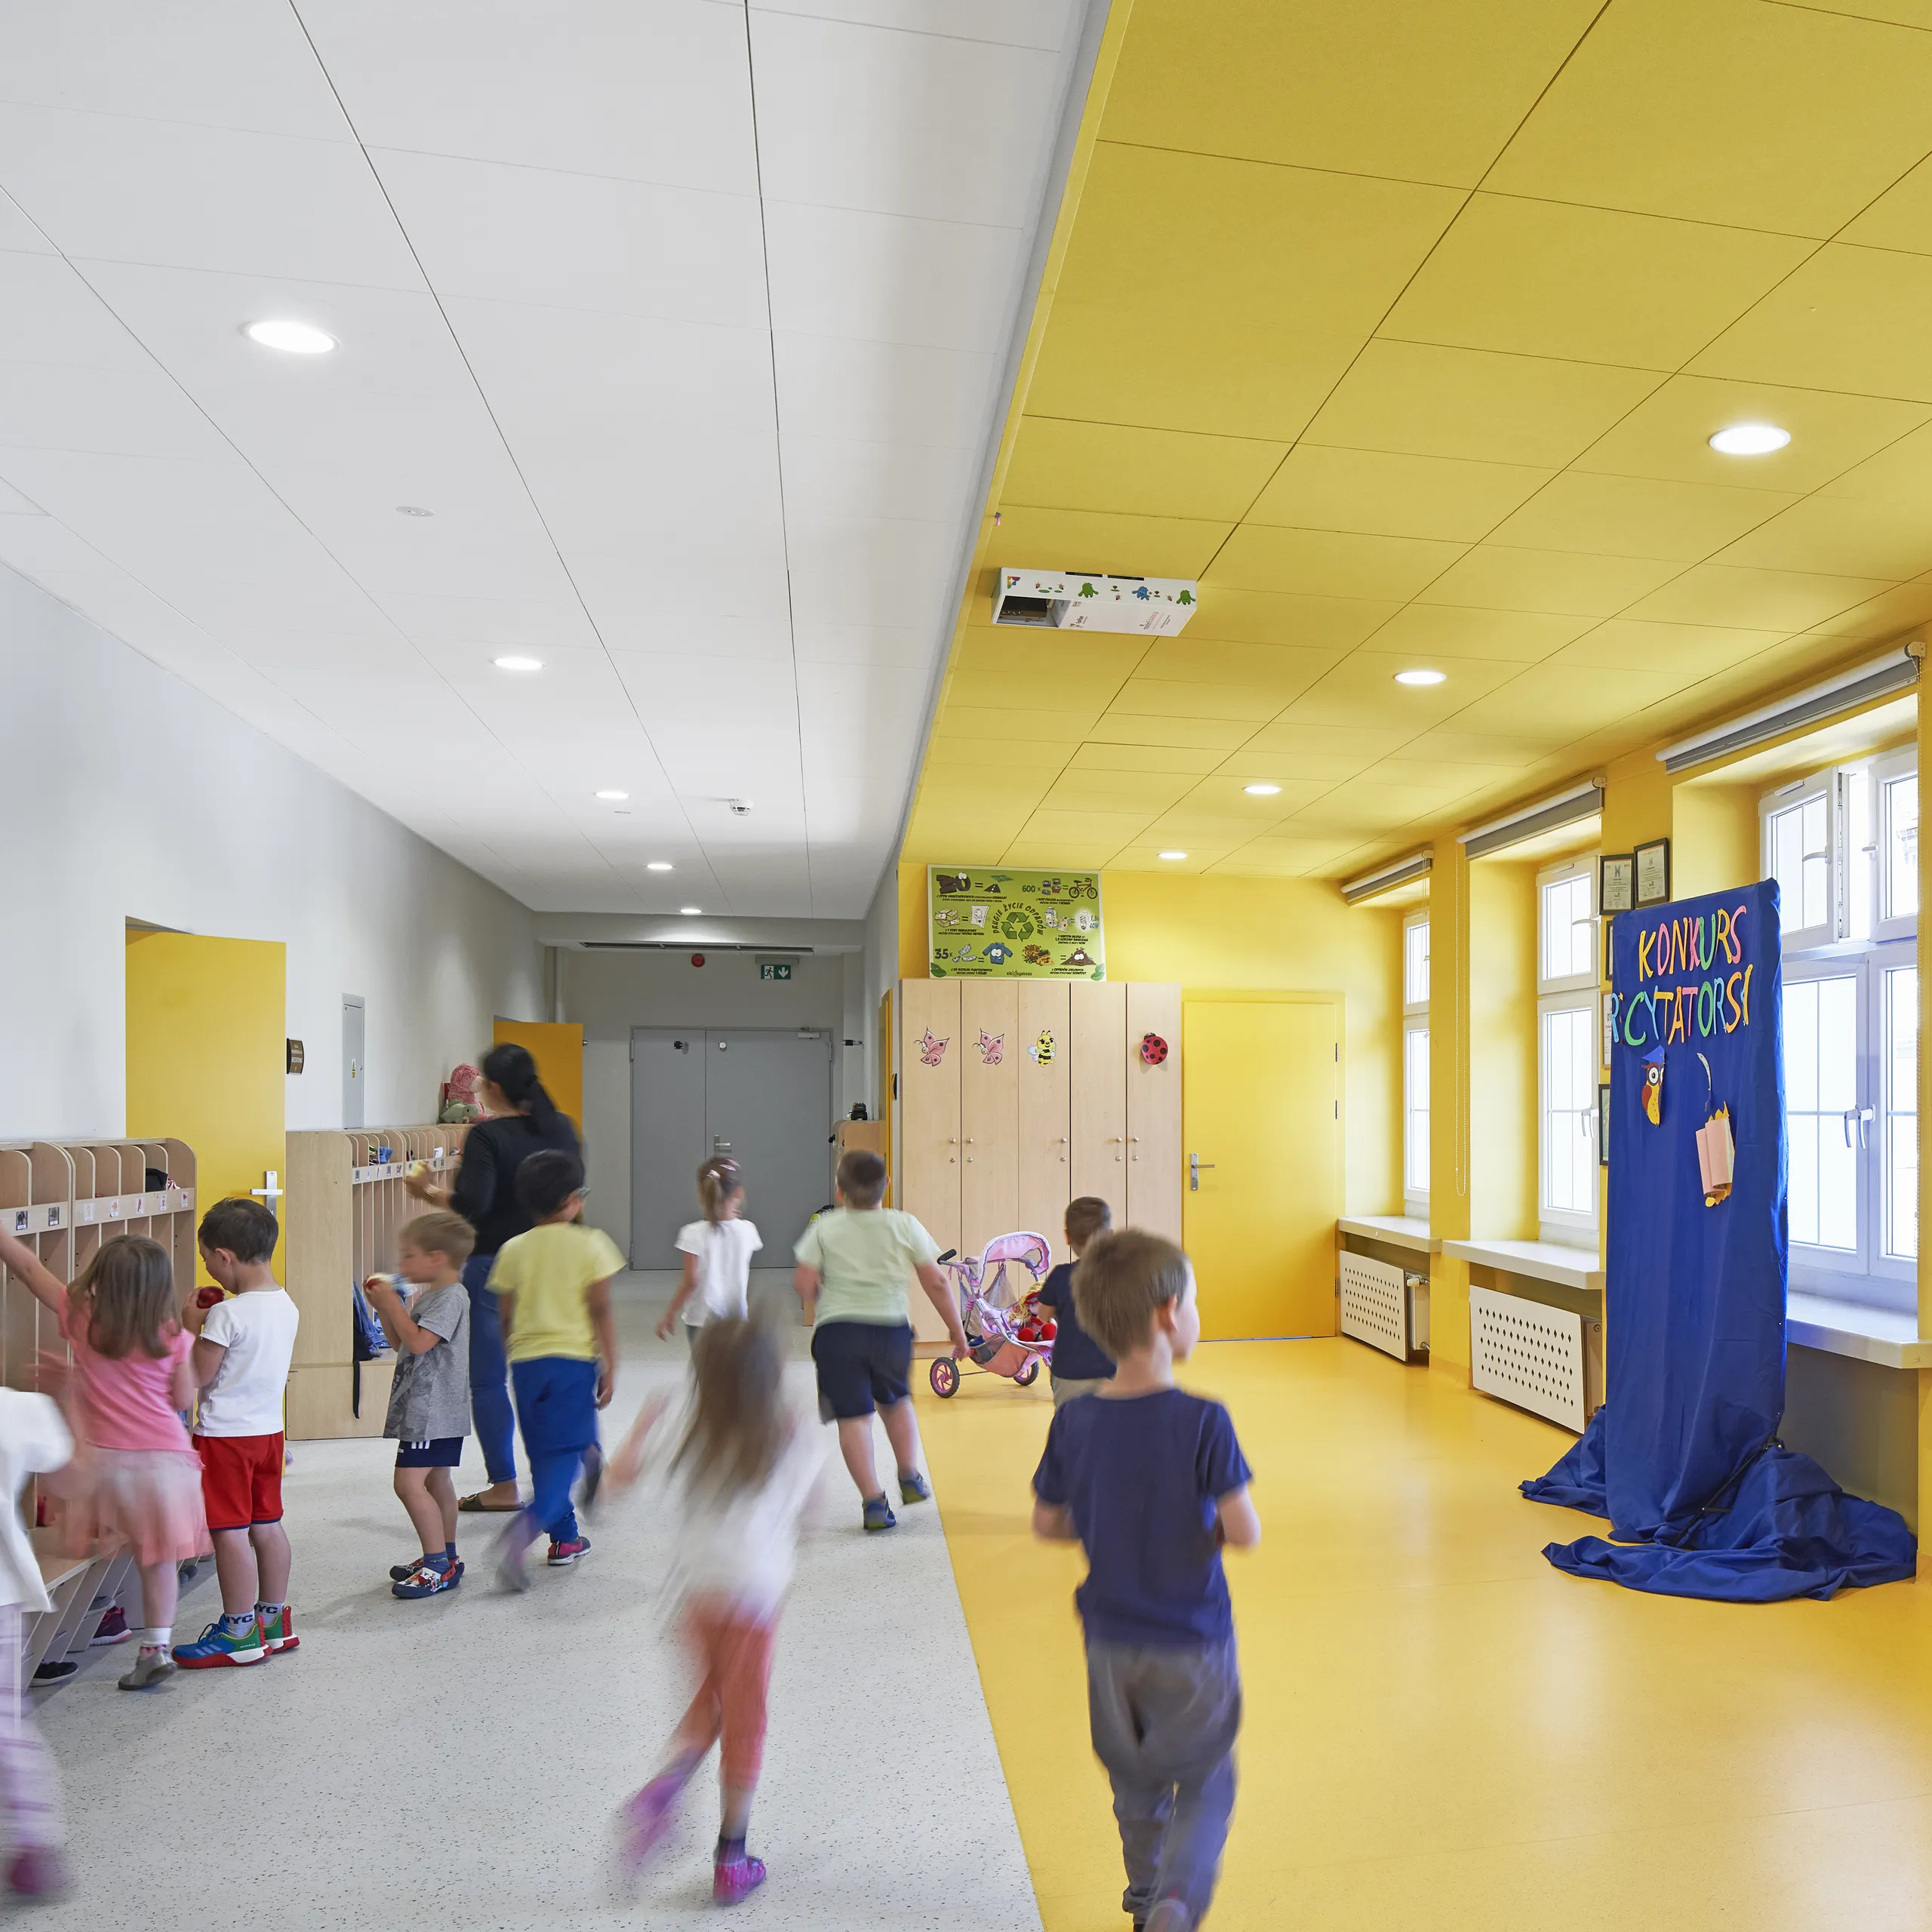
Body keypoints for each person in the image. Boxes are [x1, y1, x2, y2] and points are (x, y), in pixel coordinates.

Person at [1031, 1231, 1260, 1932]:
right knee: (1206, 1781)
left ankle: (1142, 1902)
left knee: (1136, 1788)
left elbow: (1049, 1524)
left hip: (1108, 1647)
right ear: (1168, 1313)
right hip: (1190, 1641)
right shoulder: (1203, 1420)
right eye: (1193, 1300)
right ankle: (1178, 1901)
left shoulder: (1074, 1420)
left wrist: (1103, 1523)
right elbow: (1244, 1529)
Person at [608, 1318, 824, 1906]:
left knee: (710, 1700)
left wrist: (643, 1426)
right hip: (755, 1595)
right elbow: (812, 1513)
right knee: (745, 1719)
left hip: (698, 1590)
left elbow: (615, 1482)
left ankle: (665, 1791)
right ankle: (732, 1855)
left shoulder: (685, 1416)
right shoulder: (790, 1426)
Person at [0, 1228, 208, 1694]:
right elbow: (181, 1397)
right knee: (157, 1561)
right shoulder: (172, 1337)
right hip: (166, 1464)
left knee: (83, 1539)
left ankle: (52, 1636)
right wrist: (188, 1332)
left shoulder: (84, 1319)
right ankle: (155, 1646)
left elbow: (31, 1271)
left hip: (105, 1464)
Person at [407, 1041, 580, 1515]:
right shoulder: (562, 1129)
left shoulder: (487, 1137)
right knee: (554, 1366)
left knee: (488, 1381)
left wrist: (428, 1191)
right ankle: (565, 1469)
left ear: (495, 1088)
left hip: (494, 1268)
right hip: (556, 1265)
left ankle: (504, 1484)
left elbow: (472, 1207)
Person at [790, 1149, 968, 1533]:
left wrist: (825, 1293)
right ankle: (909, 1475)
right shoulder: (904, 1224)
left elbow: (803, 1284)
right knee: (896, 1401)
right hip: (890, 1331)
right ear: (887, 1185)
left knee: (854, 1418)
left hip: (838, 1334)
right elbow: (935, 1281)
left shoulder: (824, 1227)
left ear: (840, 1192)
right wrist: (956, 1330)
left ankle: (873, 1501)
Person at [485, 1149, 622, 1588]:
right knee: (560, 1463)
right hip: (573, 1364)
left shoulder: (513, 1249)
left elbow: (505, 1315)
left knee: (545, 1451)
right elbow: (601, 1310)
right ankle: (520, 1536)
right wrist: (611, 1365)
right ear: (573, 1199)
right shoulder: (592, 1243)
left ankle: (566, 1536)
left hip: (526, 1366)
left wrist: (514, 1355)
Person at [175, 1198, 302, 1669]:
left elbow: (199, 1377)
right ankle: (274, 1623)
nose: (208, 1268)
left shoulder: (226, 1317)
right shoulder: (285, 1304)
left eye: (207, 1259)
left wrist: (191, 1329)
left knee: (228, 1533)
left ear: (224, 1256)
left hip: (225, 1439)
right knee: (267, 1526)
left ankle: (238, 1630)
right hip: (270, 1434)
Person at [365, 1212, 475, 1600]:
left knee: (408, 1484)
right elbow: (403, 1344)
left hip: (432, 1413)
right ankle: (445, 1554)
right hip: (432, 1410)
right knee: (436, 1482)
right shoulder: (434, 1296)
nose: (402, 1264)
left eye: (409, 1255)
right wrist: (384, 1307)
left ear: (437, 1258)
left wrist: (392, 1305)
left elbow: (421, 1343)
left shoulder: (450, 1298)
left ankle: (436, 1565)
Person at [0, 1383, 75, 1894]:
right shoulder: (18, 1407)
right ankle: (37, 1838)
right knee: (6, 1724)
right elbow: (64, 1461)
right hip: (1, 1589)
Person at [658, 1157, 761, 1349]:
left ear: (701, 1194)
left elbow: (691, 1282)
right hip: (735, 1319)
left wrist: (669, 1313)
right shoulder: (748, 1231)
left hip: (701, 1320)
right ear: (738, 1193)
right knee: (733, 1373)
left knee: (707, 1374)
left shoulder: (691, 1234)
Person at [1036, 1196, 1116, 1406]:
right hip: (1115, 1371)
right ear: (1109, 1235)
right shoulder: (1124, 1275)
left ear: (1068, 1237)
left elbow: (1042, 1315)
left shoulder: (1061, 1276)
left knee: (1071, 1428)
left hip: (1069, 1372)